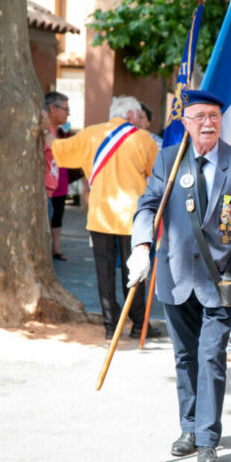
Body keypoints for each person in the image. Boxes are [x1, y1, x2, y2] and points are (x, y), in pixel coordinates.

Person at [126, 89, 231, 462]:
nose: (208, 122)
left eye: (214, 115)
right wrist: (141, 245)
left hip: (221, 281)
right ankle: (188, 428)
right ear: (185, 123)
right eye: (200, 116)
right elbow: (148, 204)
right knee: (185, 357)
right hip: (175, 278)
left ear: (221, 120)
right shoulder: (170, 160)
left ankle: (208, 440)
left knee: (211, 356)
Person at [41, 95, 162, 340]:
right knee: (136, 271)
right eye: (138, 117)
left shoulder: (90, 134)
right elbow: (156, 174)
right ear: (130, 115)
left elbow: (59, 151)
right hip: (133, 217)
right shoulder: (143, 139)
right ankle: (139, 324)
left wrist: (46, 131)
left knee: (104, 271)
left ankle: (111, 326)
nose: (139, 121)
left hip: (100, 215)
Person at [43, 91, 71, 260]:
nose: (68, 113)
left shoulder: (54, 130)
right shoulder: (45, 129)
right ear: (53, 108)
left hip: (53, 189)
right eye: (65, 109)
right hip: (44, 190)